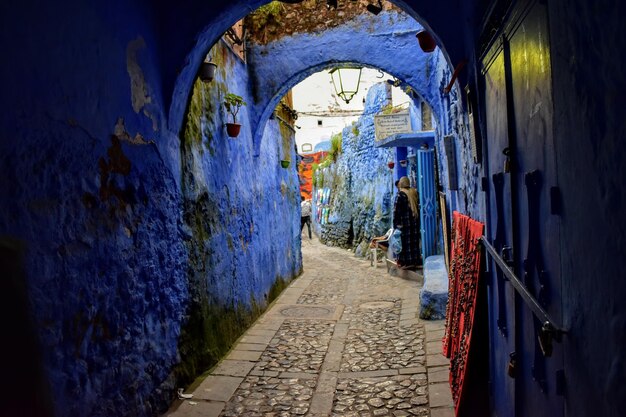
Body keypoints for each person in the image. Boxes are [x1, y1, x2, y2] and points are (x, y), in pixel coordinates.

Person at [392, 176, 421, 269]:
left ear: (401, 184)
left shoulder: (400, 195)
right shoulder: (415, 193)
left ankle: (406, 262)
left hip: (404, 225)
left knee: (405, 243)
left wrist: (395, 225)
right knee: (414, 242)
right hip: (415, 224)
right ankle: (415, 260)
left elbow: (396, 211)